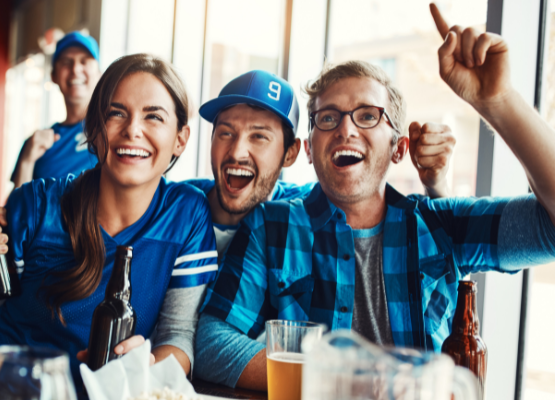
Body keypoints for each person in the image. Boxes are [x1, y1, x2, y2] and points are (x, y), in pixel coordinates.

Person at [196, 3, 555, 391]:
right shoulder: (272, 225)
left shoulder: (440, 225)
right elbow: (212, 342)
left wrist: (498, 101)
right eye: (328, 117)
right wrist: (333, 385)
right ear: (310, 148)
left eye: (367, 115)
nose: (345, 129)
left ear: (399, 148)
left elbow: (547, 229)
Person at [0, 54, 218, 400]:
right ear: (94, 131)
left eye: (154, 116)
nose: (133, 130)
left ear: (181, 138)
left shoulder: (187, 215)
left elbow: (177, 333)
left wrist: (141, 371)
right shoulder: (38, 206)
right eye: (117, 113)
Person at [184, 70, 455, 257]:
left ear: (291, 154)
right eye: (226, 133)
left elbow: (412, 229)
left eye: (259, 136)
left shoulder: (304, 210)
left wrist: (436, 184)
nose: (237, 151)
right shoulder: (178, 205)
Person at [10, 31, 101, 187]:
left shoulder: (111, 130)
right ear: (53, 75)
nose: (75, 69)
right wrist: (27, 161)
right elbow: (17, 208)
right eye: (66, 62)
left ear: (99, 74)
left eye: (84, 61)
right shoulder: (35, 144)